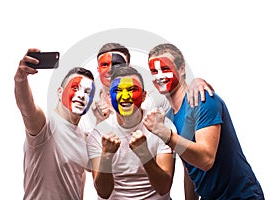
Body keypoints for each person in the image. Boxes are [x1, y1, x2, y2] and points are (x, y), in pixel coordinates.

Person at [144, 43, 265, 199]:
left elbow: (206, 160)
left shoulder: (202, 99)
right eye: (154, 71)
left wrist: (166, 134)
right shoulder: (169, 118)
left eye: (166, 69)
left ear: (181, 69)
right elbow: (190, 168)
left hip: (240, 196)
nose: (159, 76)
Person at [14, 48, 95, 200]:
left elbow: (80, 175)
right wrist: (20, 79)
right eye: (75, 88)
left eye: (87, 92)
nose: (81, 95)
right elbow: (27, 108)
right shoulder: (45, 127)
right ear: (59, 92)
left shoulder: (84, 134)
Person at [87, 66, 176, 199]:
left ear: (144, 95)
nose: (125, 96)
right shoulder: (98, 134)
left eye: (132, 90)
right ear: (109, 97)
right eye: (117, 91)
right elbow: (103, 192)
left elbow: (163, 187)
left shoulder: (162, 126)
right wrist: (107, 155)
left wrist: (144, 153)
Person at [91, 42, 214, 124]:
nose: (111, 70)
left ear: (129, 67)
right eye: (104, 65)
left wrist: (196, 82)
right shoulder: (87, 105)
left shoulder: (154, 97)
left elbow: (182, 100)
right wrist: (100, 122)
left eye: (118, 64)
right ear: (98, 69)